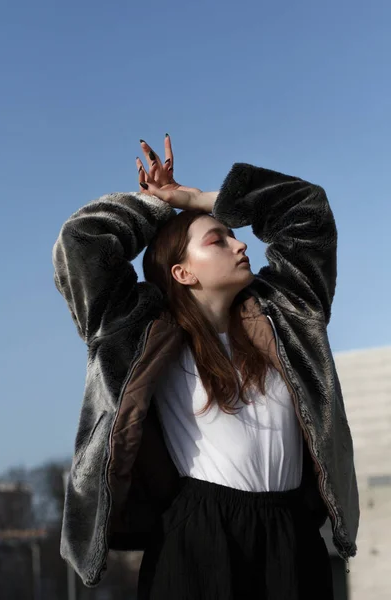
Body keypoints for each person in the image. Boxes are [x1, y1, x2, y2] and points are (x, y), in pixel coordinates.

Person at [52, 135, 359, 600]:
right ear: (183, 272)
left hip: (291, 534)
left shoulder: (288, 314)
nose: (240, 245)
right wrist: (154, 206)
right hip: (197, 535)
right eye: (218, 240)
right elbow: (82, 243)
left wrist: (195, 199)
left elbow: (306, 209)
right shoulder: (136, 332)